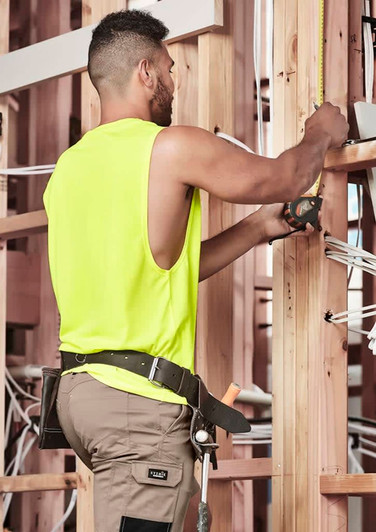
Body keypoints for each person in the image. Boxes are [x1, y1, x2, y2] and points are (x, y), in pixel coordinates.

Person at [42, 9, 349, 532]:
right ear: (145, 72)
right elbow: (289, 175)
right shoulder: (169, 147)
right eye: (168, 68)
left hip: (81, 396)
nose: (173, 82)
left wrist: (255, 229)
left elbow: (163, 272)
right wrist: (320, 133)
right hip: (136, 408)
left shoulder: (68, 170)